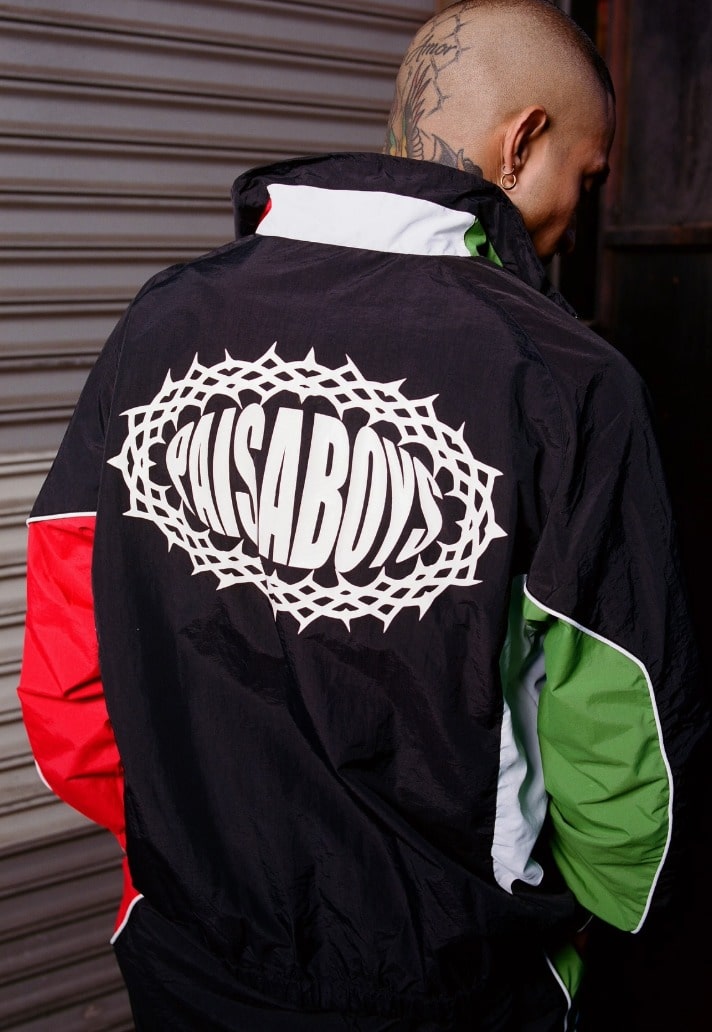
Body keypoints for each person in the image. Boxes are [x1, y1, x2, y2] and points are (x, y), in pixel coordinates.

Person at [17, 1, 708, 1029]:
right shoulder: (567, 381)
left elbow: (66, 674)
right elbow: (624, 739)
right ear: (522, 141)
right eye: (588, 174)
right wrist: (585, 916)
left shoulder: (162, 318)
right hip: (454, 985)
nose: (578, 208)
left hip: (188, 956)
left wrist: (193, 852)